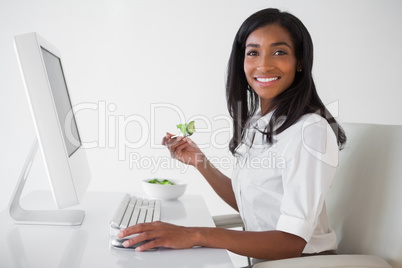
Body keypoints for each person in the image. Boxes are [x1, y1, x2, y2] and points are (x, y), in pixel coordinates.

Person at [118, 8, 346, 263]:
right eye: (253, 53)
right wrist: (200, 161)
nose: (264, 64)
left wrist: (195, 235)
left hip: (304, 262)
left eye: (280, 52)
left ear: (300, 61)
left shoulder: (309, 130)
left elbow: (291, 242)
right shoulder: (259, 123)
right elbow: (251, 205)